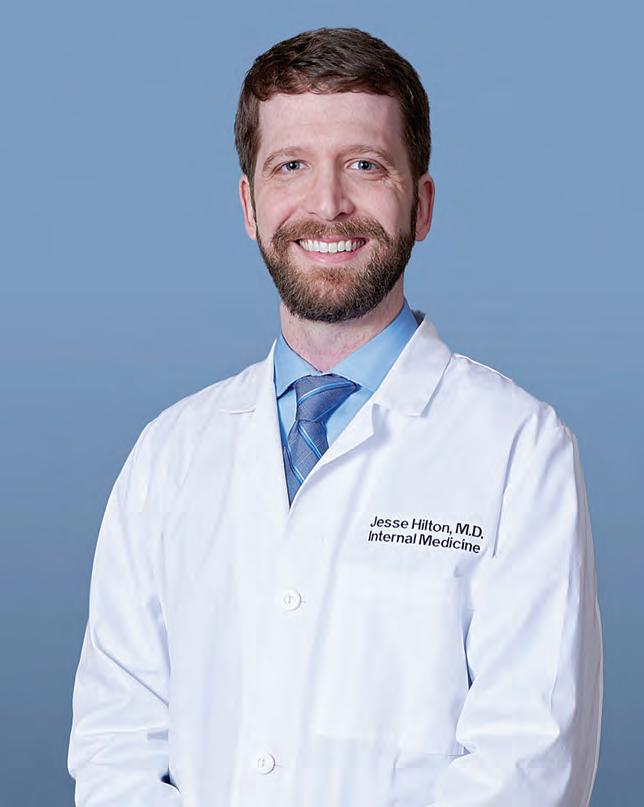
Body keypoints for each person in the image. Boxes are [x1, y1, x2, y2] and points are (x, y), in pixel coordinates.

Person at [68, 27, 603, 807]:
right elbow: (116, 747)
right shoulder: (169, 456)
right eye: (291, 166)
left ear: (421, 204)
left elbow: (529, 765)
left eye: (365, 165)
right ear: (249, 206)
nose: (327, 205)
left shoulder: (520, 451)